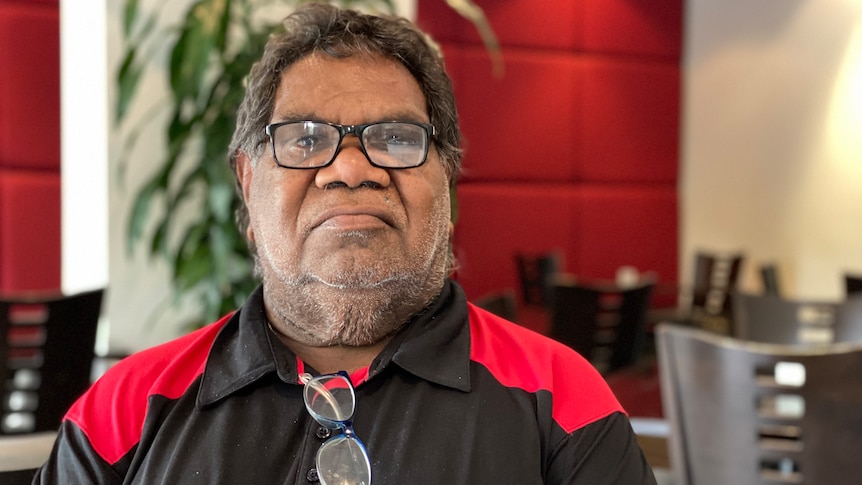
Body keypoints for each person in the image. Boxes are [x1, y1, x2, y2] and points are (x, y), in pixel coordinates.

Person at [35, 3, 656, 484]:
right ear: (249, 184)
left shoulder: (561, 404)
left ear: (448, 181)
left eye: (395, 138)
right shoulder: (122, 413)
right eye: (305, 141)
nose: (351, 169)